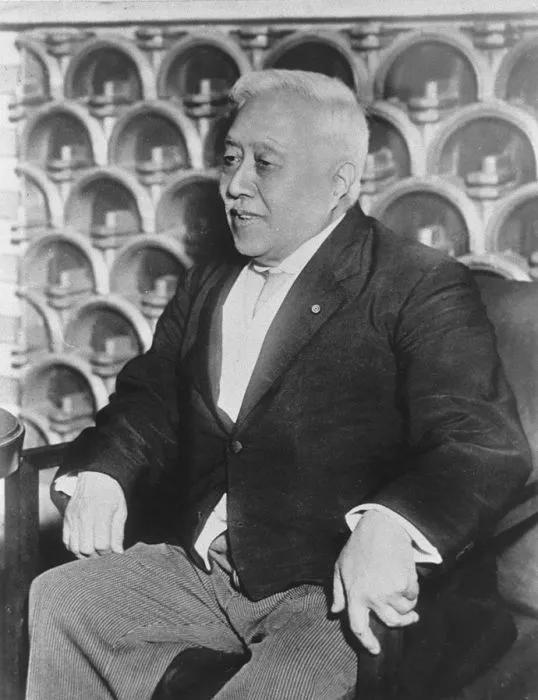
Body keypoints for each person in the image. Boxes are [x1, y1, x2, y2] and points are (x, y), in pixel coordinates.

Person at [26, 70, 530, 700]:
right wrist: (104, 473)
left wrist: (391, 526)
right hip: (204, 568)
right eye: (230, 159)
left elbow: (478, 440)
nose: (235, 185)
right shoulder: (210, 280)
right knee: (64, 599)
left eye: (264, 164)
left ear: (338, 184)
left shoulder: (417, 284)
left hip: (325, 588)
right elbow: (149, 398)